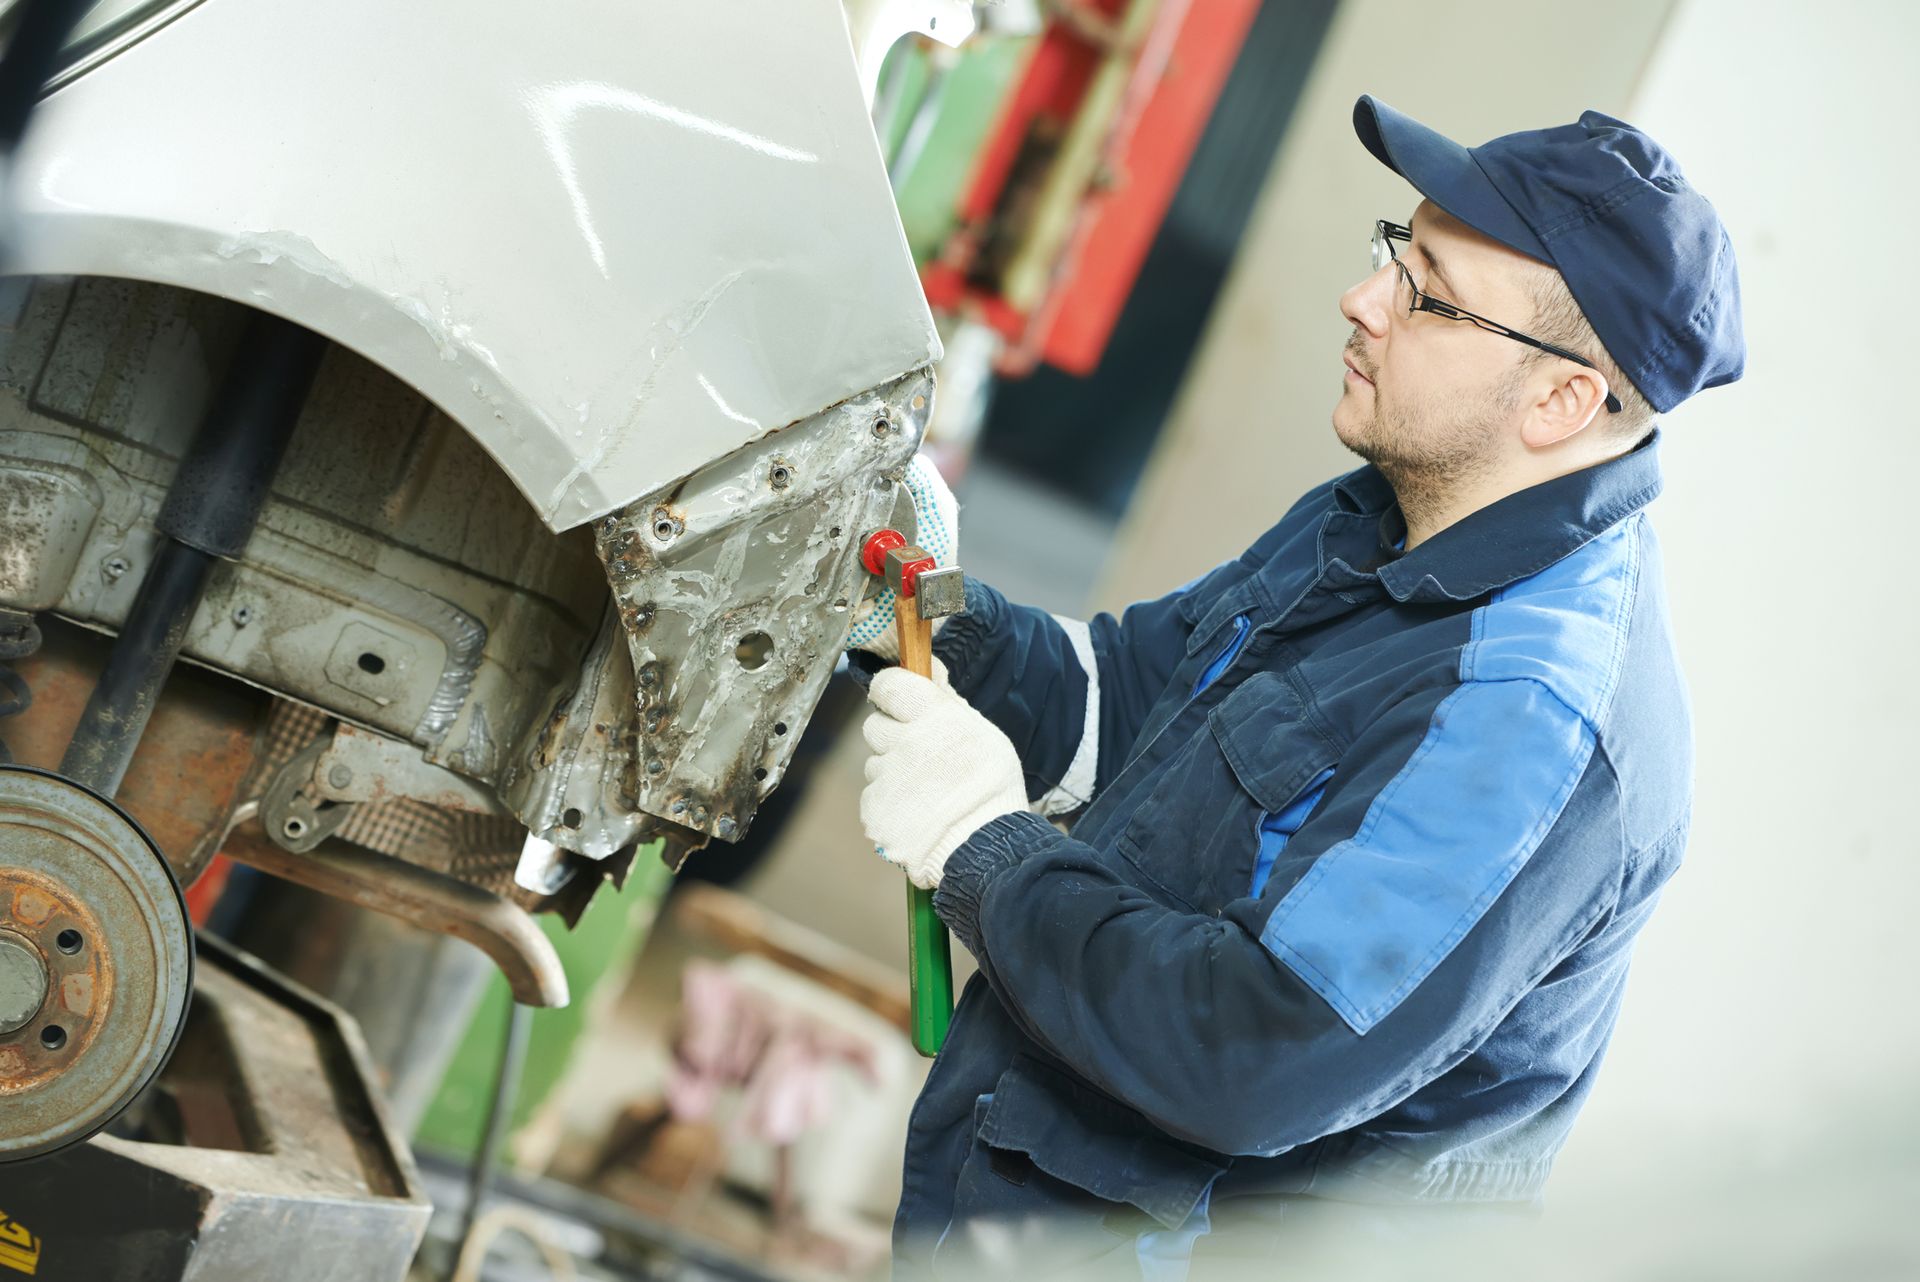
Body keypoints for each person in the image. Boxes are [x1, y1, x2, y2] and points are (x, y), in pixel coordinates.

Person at [850, 95, 1744, 1279]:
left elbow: (1251, 1055)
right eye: (1395, 247)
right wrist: (919, 610)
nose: (1364, 299)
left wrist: (984, 845)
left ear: (1562, 400)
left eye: (1424, 290)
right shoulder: (1388, 518)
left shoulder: (1532, 717)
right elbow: (1127, 709)